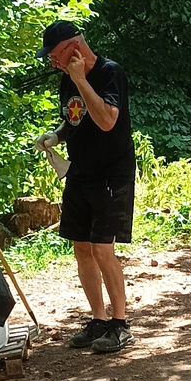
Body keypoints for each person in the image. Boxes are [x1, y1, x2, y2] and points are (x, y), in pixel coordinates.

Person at [40, 19, 136, 352]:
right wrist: (56, 136)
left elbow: (107, 120)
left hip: (112, 173)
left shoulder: (110, 72)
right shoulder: (67, 80)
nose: (54, 63)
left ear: (74, 47)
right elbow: (74, 119)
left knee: (102, 249)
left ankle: (120, 325)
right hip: (79, 172)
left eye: (56, 55)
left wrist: (81, 80)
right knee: (81, 247)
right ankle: (98, 320)